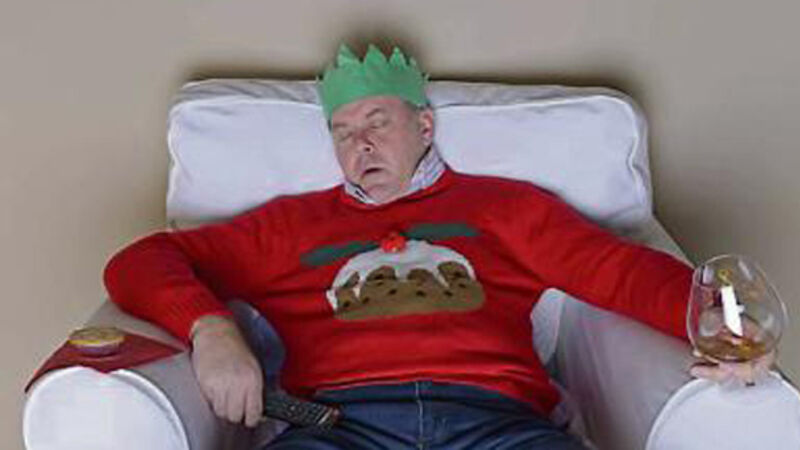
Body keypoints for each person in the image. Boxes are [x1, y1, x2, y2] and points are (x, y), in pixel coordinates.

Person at [104, 44, 774, 449]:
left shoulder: (506, 208)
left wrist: (722, 325)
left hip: (496, 421)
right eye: (342, 131)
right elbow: (140, 263)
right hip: (341, 426)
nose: (360, 144)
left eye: (377, 122)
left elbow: (620, 272)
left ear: (424, 126)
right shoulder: (288, 227)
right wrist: (211, 330)